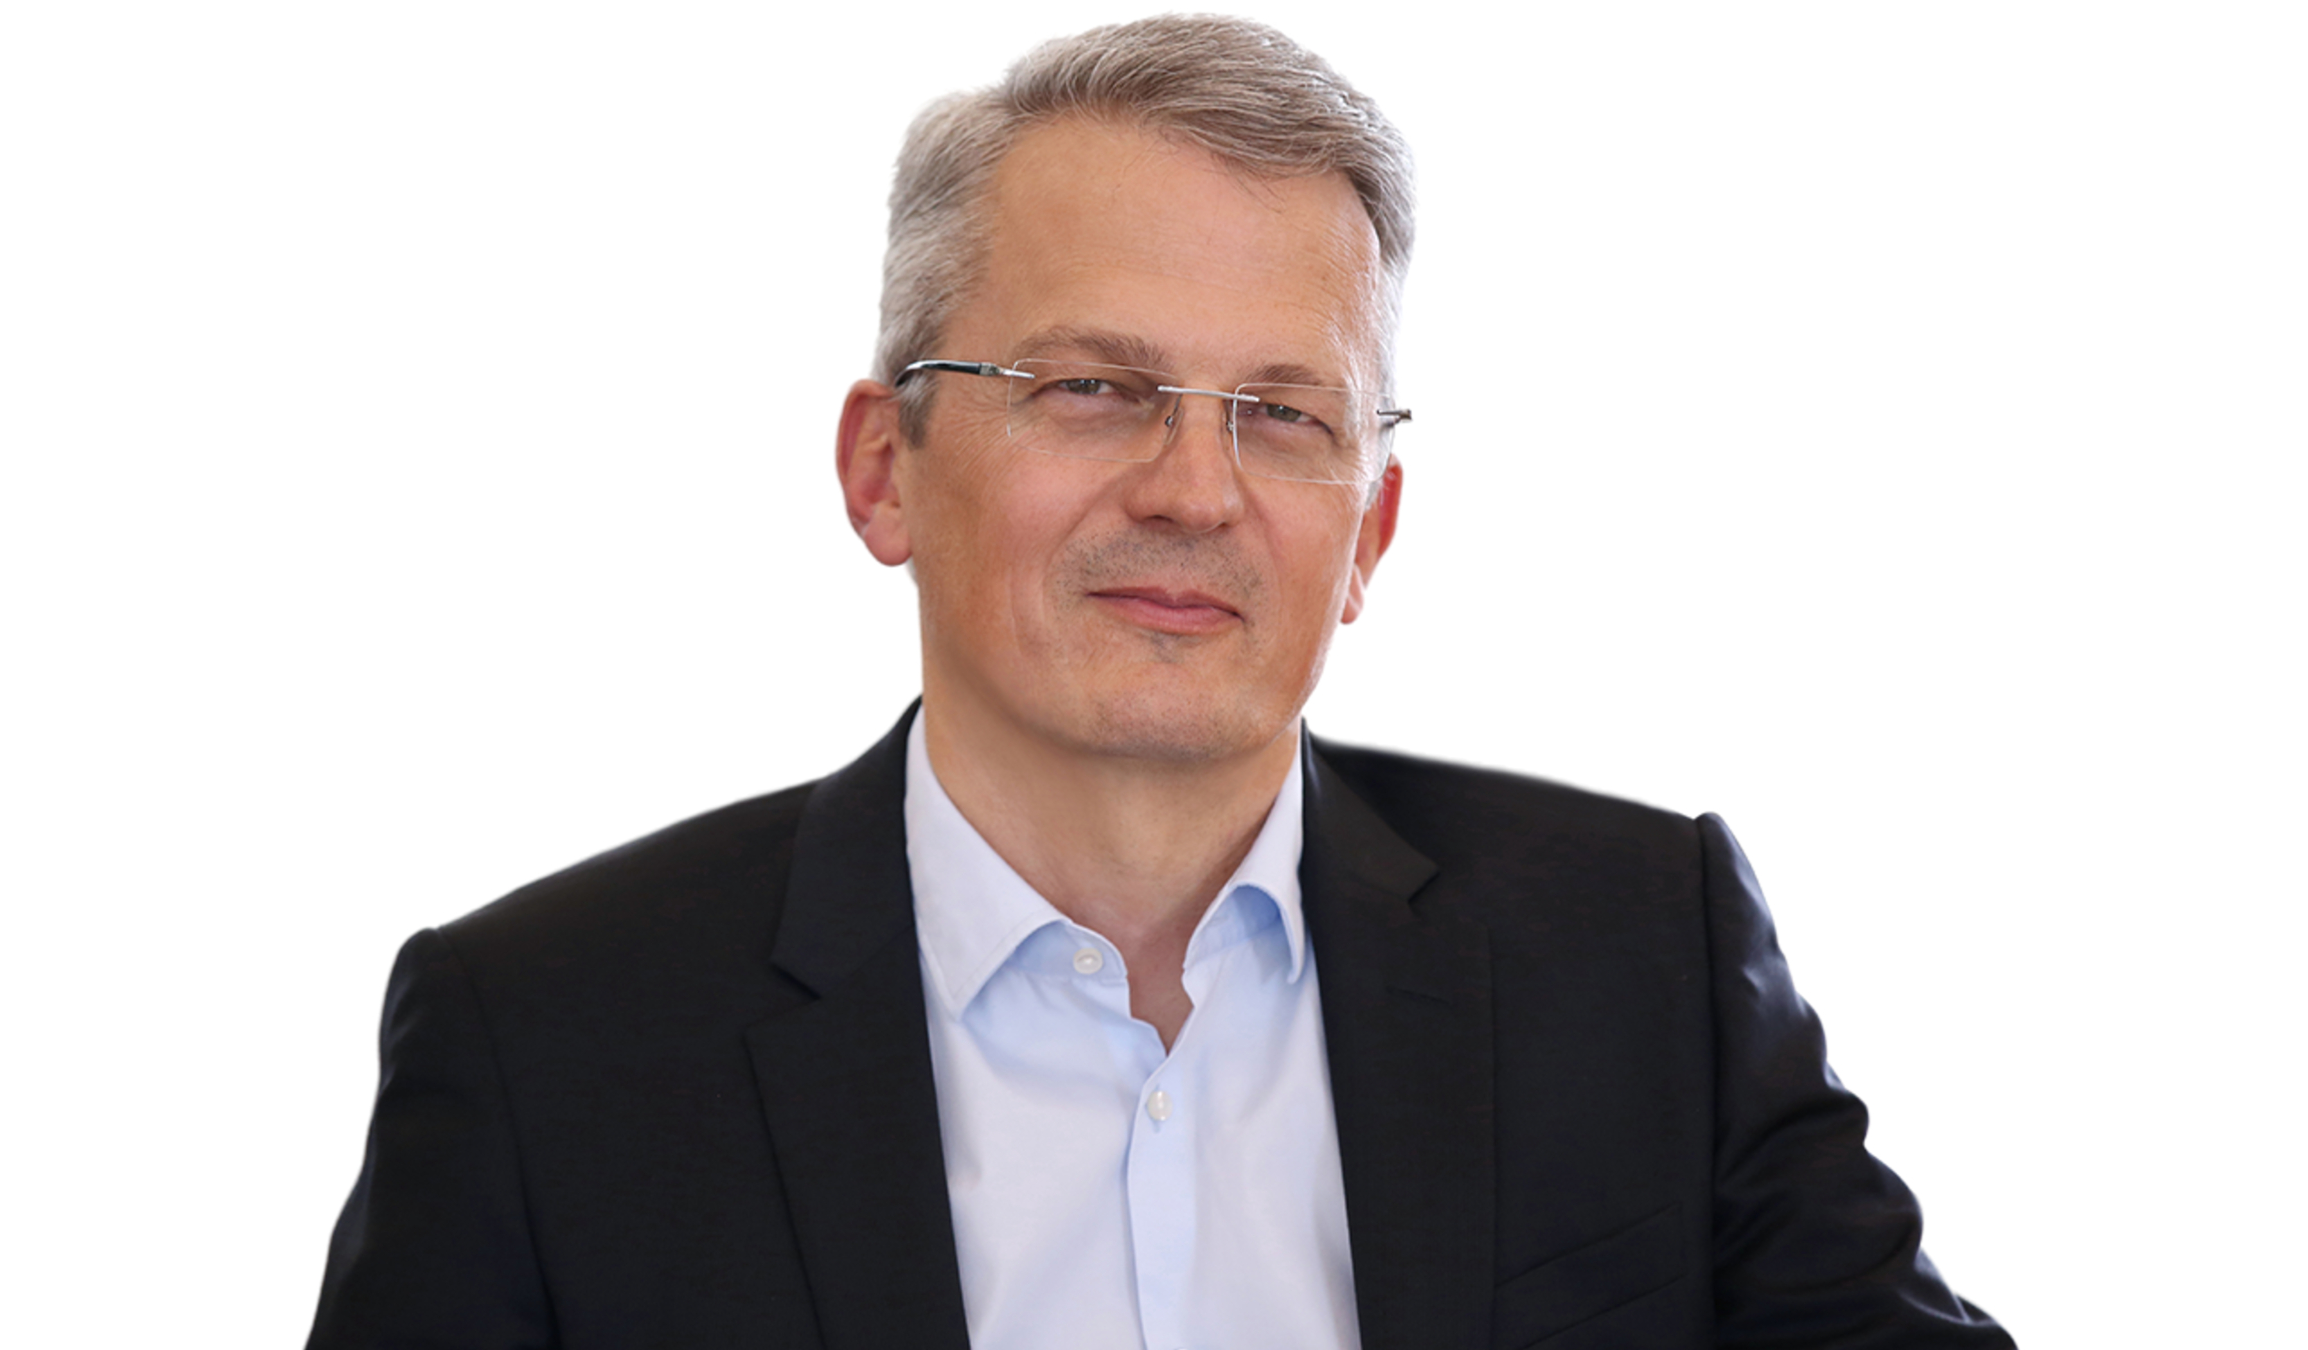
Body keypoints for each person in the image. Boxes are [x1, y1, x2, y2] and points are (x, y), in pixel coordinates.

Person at [307, 15, 2014, 1350]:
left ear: (1370, 530)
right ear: (885, 470)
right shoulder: (545, 1042)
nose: (1197, 490)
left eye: (1283, 413)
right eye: (1096, 389)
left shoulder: (1642, 956)